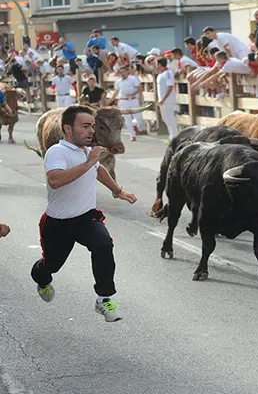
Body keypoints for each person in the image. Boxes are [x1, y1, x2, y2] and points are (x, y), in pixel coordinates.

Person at [31, 104, 138, 322]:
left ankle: (104, 298)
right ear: (68, 129)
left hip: (86, 218)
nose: (91, 131)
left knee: (104, 244)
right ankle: (42, 279)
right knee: (50, 265)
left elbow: (99, 170)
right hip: (58, 222)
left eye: (92, 126)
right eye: (86, 126)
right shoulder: (56, 152)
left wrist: (118, 190)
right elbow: (56, 180)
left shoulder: (88, 152)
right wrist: (90, 162)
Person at [111, 65, 145, 141]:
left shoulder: (133, 79)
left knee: (138, 117)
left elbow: (139, 89)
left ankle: (136, 125)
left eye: (124, 72)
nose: (123, 73)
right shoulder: (118, 82)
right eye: (121, 72)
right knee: (127, 119)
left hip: (133, 100)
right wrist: (111, 100)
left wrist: (133, 94)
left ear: (127, 72)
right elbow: (116, 92)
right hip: (123, 101)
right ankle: (132, 135)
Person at [156, 57, 179, 142]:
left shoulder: (168, 73)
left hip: (168, 100)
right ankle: (171, 136)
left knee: (170, 118)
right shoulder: (160, 74)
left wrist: (164, 99)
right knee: (165, 119)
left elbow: (170, 87)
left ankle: (174, 137)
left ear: (159, 64)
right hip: (162, 101)